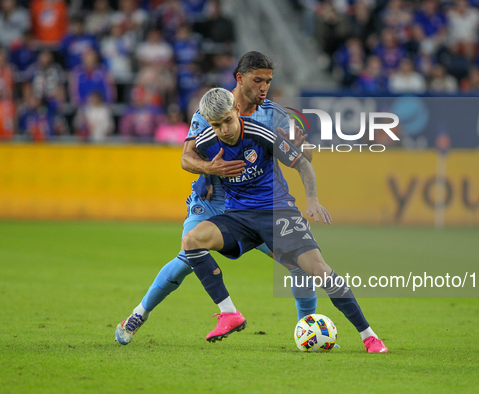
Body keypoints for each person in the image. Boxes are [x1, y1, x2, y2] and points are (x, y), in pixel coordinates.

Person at [114, 52, 317, 345]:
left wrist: (303, 146)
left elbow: (303, 155)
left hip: (254, 205)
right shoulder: (213, 108)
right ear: (240, 78)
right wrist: (211, 168)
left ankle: (306, 329)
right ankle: (138, 315)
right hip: (212, 199)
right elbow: (186, 158)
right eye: (257, 80)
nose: (263, 87)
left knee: (299, 264)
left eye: (268, 82)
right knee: (187, 257)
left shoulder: (275, 115)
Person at [182, 87, 388, 353]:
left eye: (228, 121)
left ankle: (369, 337)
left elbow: (303, 164)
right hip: (238, 218)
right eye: (216, 125)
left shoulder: (259, 134)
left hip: (277, 212)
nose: (224, 130)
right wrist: (207, 176)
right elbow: (190, 160)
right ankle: (229, 313)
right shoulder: (206, 141)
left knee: (319, 271)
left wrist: (312, 199)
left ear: (236, 110)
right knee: (191, 241)